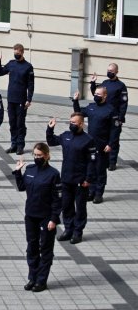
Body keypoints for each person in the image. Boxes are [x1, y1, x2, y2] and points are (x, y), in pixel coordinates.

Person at [13, 143, 62, 293]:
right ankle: (32, 277)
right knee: (31, 248)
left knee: (45, 249)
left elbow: (58, 199)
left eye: (39, 155)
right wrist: (17, 172)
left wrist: (54, 219)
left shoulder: (53, 174)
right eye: (35, 155)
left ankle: (41, 281)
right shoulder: (30, 170)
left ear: (47, 156)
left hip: (46, 218)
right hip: (31, 216)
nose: (36, 158)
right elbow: (22, 187)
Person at [47, 113, 96, 244]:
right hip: (66, 179)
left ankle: (77, 232)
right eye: (70, 122)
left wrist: (88, 179)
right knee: (66, 206)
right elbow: (51, 142)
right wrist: (50, 128)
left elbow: (92, 162)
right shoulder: (66, 136)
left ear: (81, 124)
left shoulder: (88, 140)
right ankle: (68, 230)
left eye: (74, 123)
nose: (71, 125)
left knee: (80, 208)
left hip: (81, 181)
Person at [73, 88, 120, 203]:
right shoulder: (91, 107)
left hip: (102, 146)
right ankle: (91, 192)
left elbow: (115, 129)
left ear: (105, 96)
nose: (96, 96)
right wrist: (75, 101)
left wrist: (111, 144)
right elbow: (79, 114)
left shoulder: (111, 110)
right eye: (95, 94)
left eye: (98, 94)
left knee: (100, 170)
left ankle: (99, 194)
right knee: (90, 169)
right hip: (90, 145)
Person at [0, 43, 34, 155]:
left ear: (22, 52)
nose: (16, 54)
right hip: (11, 99)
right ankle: (13, 144)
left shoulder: (28, 66)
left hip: (22, 100)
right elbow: (0, 73)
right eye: (14, 52)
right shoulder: (11, 64)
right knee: (12, 123)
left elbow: (31, 84)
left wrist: (29, 99)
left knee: (20, 124)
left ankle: (20, 146)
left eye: (18, 52)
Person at [90, 63, 128, 171]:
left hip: (114, 118)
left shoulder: (121, 86)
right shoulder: (105, 83)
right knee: (103, 140)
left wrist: (120, 118)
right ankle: (103, 161)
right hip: (103, 116)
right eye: (108, 70)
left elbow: (123, 103)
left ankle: (112, 162)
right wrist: (93, 83)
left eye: (111, 71)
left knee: (113, 140)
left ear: (116, 72)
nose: (109, 72)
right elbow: (96, 94)